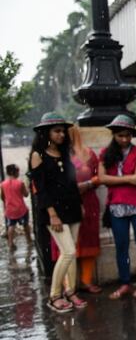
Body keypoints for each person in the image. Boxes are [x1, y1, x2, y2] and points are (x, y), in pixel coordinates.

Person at [28, 112, 86, 313]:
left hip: (72, 207)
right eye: (57, 131)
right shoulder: (38, 155)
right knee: (68, 251)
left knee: (71, 253)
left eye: (63, 131)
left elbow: (71, 182)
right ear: (46, 133)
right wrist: (52, 214)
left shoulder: (64, 152)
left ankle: (70, 291)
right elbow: (40, 188)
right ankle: (54, 296)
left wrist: (80, 204)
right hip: (54, 211)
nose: (62, 134)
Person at [98, 115, 136, 300]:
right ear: (114, 135)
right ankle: (125, 283)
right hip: (116, 206)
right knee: (121, 247)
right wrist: (127, 179)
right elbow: (102, 178)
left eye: (128, 136)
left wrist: (118, 180)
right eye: (120, 135)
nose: (124, 139)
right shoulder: (105, 154)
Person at [49, 126, 103, 294]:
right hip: (63, 205)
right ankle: (67, 286)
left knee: (88, 242)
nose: (65, 137)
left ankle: (86, 281)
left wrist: (87, 184)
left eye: (68, 134)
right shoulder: (53, 156)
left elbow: (99, 176)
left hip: (88, 203)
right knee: (67, 246)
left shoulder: (88, 154)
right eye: (61, 134)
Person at [1, 164, 33, 250]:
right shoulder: (20, 183)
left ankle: (10, 243)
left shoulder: (3, 184)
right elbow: (26, 194)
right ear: (15, 172)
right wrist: (28, 188)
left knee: (11, 226)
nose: (19, 173)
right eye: (18, 171)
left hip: (10, 210)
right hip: (21, 209)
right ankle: (29, 240)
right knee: (25, 224)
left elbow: (2, 197)